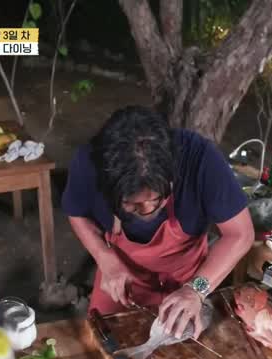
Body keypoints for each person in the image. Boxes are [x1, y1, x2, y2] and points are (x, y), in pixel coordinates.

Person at [62, 106, 255, 339]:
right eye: (132, 205)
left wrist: (196, 290)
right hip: (119, 279)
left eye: (156, 200)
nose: (147, 210)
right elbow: (77, 214)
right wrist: (104, 257)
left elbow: (240, 234)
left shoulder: (199, 158)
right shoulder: (88, 163)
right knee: (103, 342)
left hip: (190, 278)